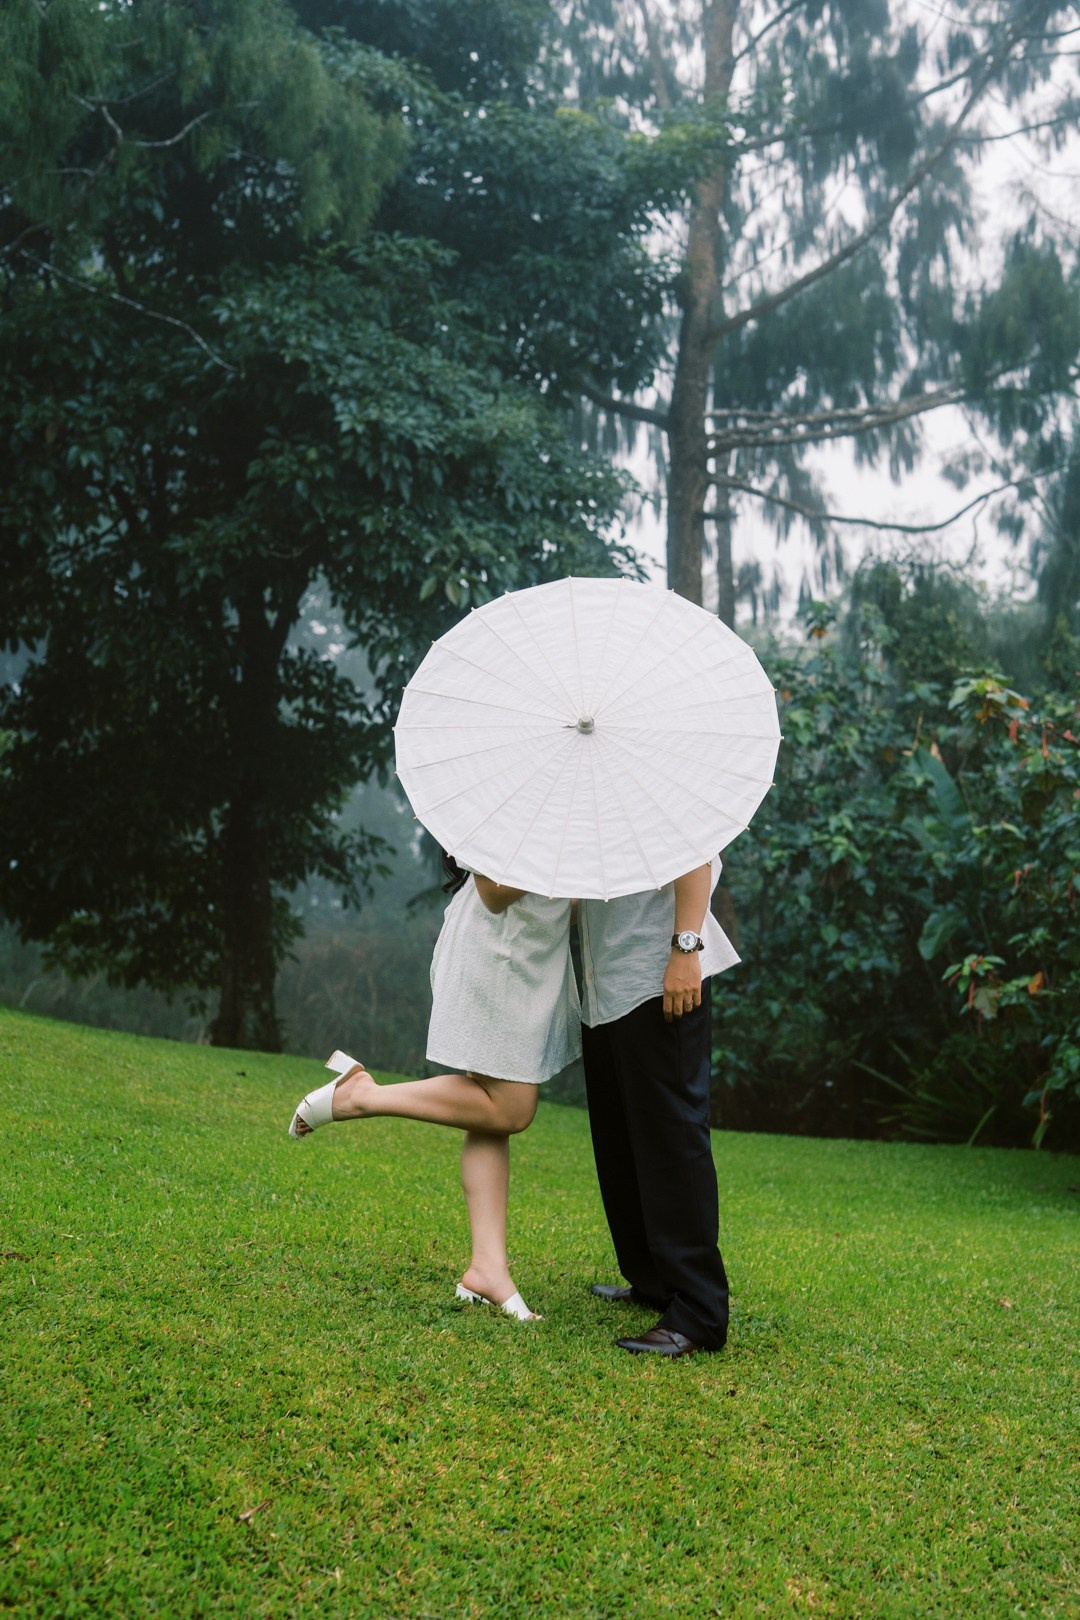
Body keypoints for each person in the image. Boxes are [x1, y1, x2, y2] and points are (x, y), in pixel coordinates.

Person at [287, 856, 579, 1322]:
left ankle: (487, 1269)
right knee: (511, 1109)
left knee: (488, 1110)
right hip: (496, 952)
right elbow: (495, 887)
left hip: (528, 959)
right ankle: (361, 1095)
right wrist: (571, 859)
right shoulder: (513, 791)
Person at [578, 858, 739, 1359]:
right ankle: (651, 1281)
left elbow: (696, 852)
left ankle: (698, 1311)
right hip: (609, 977)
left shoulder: (659, 779)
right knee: (621, 1134)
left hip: (659, 971)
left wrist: (685, 948)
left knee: (673, 1137)